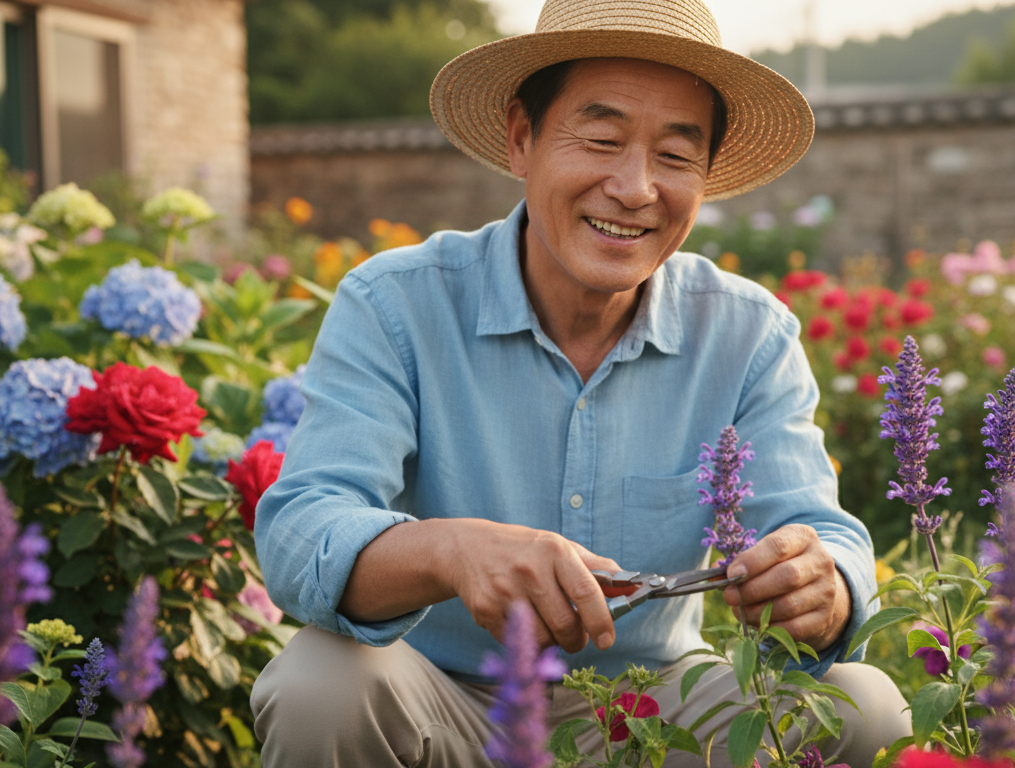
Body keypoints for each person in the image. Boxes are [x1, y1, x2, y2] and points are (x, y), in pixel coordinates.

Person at [250, 0, 912, 765]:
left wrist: (821, 587)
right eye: (600, 139)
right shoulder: (396, 303)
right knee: (318, 684)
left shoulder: (746, 332)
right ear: (522, 139)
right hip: (445, 697)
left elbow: (817, 528)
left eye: (674, 155)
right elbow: (302, 533)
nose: (634, 188)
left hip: (662, 708)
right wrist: (451, 550)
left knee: (866, 708)